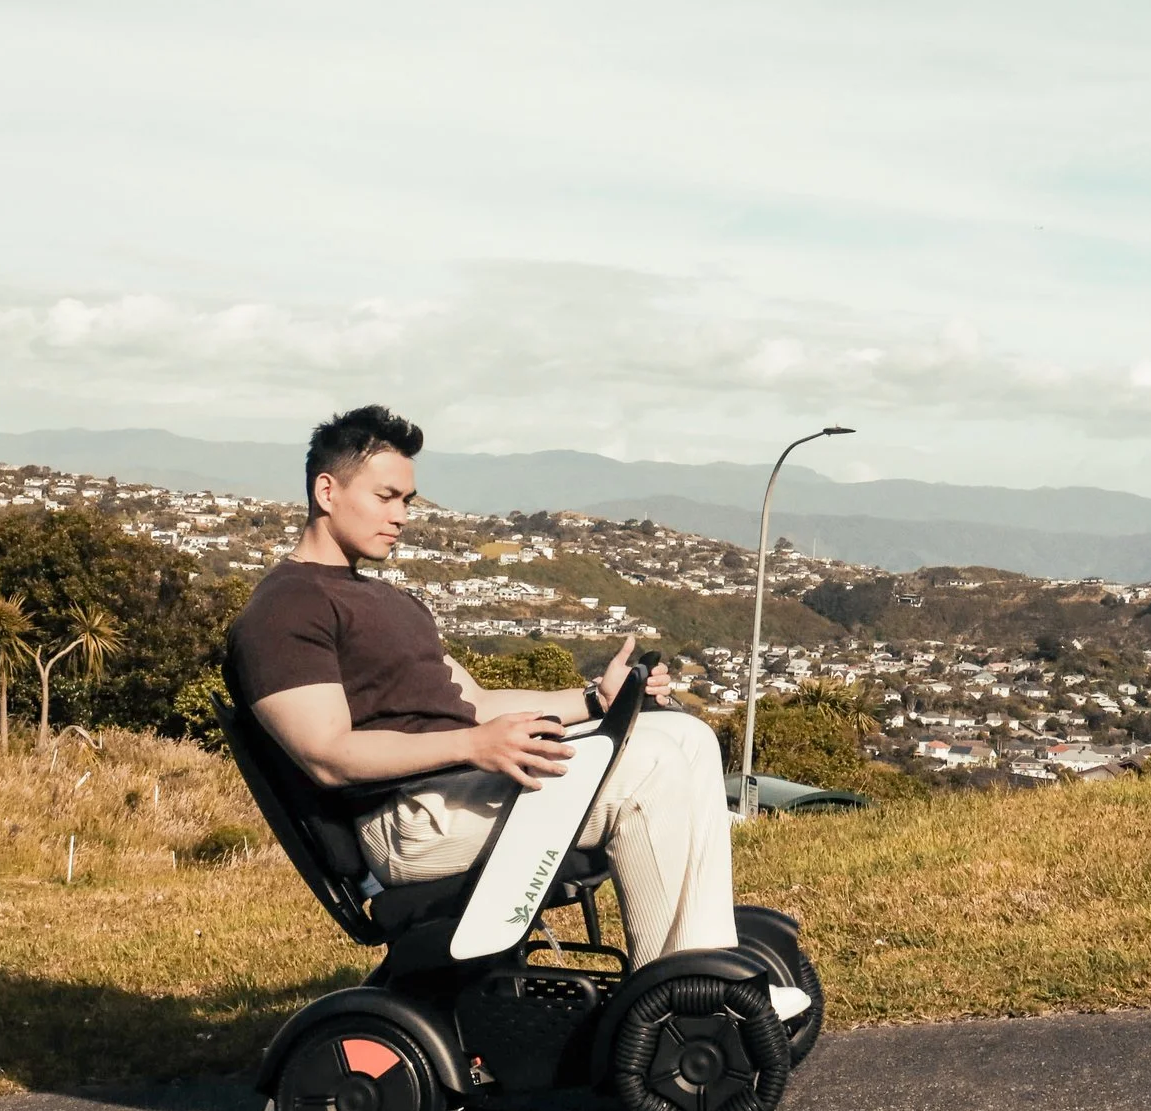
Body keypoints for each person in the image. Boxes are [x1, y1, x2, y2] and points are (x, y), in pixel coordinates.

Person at [223, 405, 805, 1019]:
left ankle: (703, 969)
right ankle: (683, 1008)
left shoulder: (387, 600)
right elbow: (328, 755)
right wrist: (472, 748)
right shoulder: (286, 608)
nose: (400, 517)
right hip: (411, 820)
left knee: (683, 736)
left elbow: (475, 703)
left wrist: (592, 701)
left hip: (459, 789)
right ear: (326, 490)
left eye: (408, 501)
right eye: (386, 497)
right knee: (652, 765)